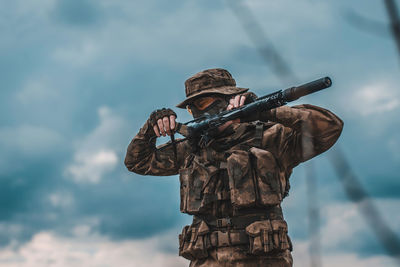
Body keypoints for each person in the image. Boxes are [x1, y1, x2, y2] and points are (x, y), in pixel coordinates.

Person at [124, 68, 343, 267]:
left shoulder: (272, 137)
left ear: (230, 99)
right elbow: (138, 161)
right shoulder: (191, 148)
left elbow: (329, 128)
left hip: (264, 260)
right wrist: (150, 129)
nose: (199, 112)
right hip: (208, 261)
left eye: (204, 103)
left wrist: (266, 111)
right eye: (192, 108)